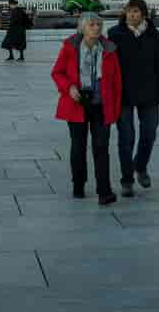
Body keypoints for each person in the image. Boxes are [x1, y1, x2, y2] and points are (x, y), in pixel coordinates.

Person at [51, 12, 121, 206]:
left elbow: (116, 81)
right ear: (82, 28)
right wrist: (69, 88)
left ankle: (104, 191)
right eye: (91, 25)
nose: (96, 28)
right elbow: (57, 72)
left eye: (98, 24)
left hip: (101, 105)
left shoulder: (109, 48)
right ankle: (78, 184)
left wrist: (114, 109)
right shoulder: (70, 47)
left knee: (101, 147)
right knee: (78, 147)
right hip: (77, 103)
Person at [107, 0, 159, 198]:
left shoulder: (153, 34)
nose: (132, 15)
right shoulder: (115, 34)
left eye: (136, 11)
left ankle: (141, 166)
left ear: (143, 14)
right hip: (124, 95)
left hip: (149, 93)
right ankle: (127, 180)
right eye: (129, 11)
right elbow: (108, 67)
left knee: (149, 133)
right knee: (126, 137)